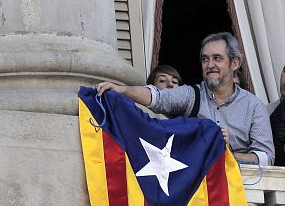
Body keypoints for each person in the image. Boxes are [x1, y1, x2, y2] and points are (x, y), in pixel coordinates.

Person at [97, 32, 274, 166]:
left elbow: (266, 157)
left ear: (234, 64)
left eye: (217, 58)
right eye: (205, 59)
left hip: (240, 194)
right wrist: (123, 90)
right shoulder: (192, 94)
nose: (210, 65)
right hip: (199, 194)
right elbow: (158, 97)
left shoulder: (254, 106)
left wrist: (228, 154)